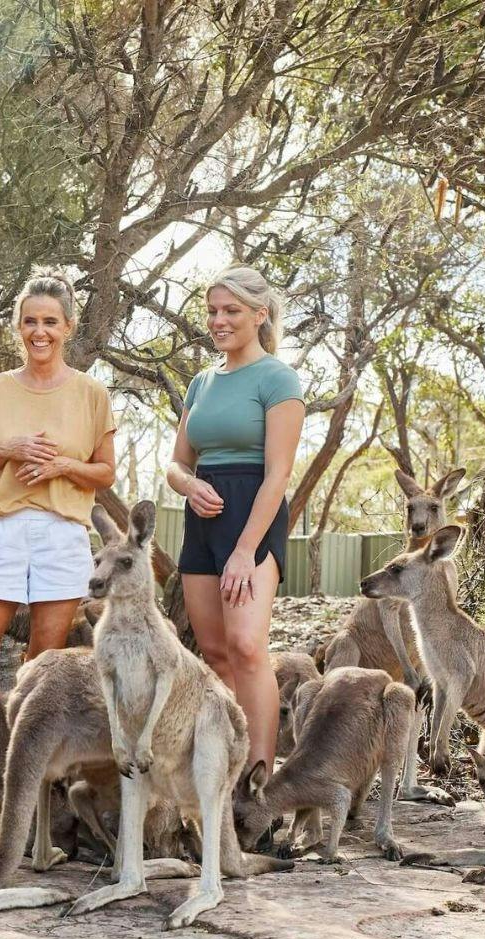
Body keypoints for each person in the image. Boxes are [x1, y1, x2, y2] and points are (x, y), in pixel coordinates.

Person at [165, 265, 305, 769]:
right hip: (201, 519)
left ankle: (260, 785)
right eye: (212, 311)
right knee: (217, 654)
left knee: (247, 647)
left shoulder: (277, 377)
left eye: (231, 311)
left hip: (253, 514)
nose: (219, 321)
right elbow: (177, 462)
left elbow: (279, 473)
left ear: (259, 315)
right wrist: (188, 483)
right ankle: (228, 771)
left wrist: (246, 550)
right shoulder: (202, 381)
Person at [0, 272, 117, 672]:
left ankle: (23, 733)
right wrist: (6, 449)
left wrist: (61, 466)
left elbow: (105, 474)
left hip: (62, 534)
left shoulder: (92, 393)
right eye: (30, 321)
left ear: (68, 327)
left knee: (43, 662)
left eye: (50, 322)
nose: (39, 332)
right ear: (19, 327)